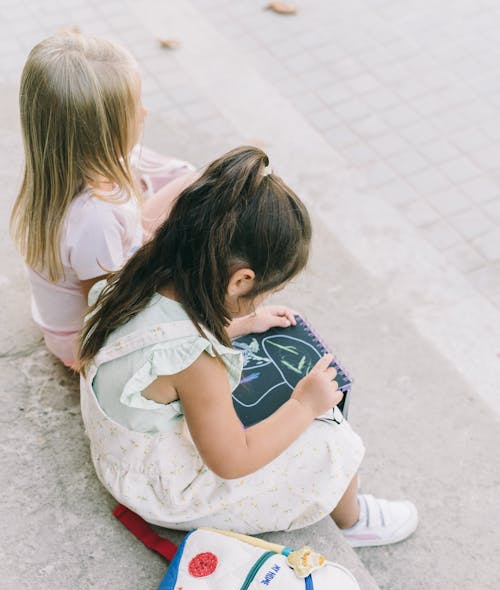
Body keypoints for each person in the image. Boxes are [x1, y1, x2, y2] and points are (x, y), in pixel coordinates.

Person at [77, 146, 418, 545]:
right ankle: (353, 520)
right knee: (333, 438)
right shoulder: (198, 366)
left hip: (119, 454)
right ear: (241, 280)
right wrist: (303, 405)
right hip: (159, 491)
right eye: (261, 293)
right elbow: (231, 460)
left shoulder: (139, 274)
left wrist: (243, 323)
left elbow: (159, 336)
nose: (258, 303)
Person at [10, 32, 195, 369]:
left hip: (85, 289)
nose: (145, 112)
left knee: (192, 181)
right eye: (135, 107)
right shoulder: (93, 218)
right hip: (80, 342)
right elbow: (107, 309)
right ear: (103, 133)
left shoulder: (61, 169)